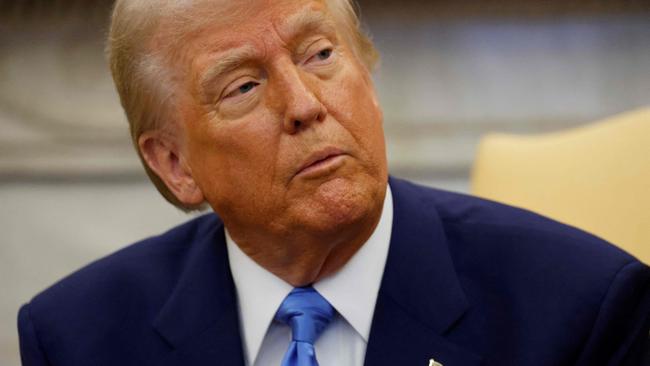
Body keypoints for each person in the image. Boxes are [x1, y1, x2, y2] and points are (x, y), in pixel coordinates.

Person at [18, 0, 650, 365]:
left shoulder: (581, 311)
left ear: (368, 82)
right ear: (176, 166)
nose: (304, 104)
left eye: (320, 54)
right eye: (243, 86)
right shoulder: (78, 339)